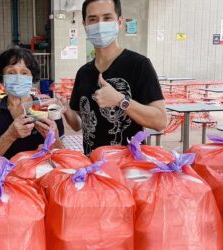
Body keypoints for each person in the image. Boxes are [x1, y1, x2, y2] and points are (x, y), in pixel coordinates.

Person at [60, 0, 167, 155]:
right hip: (93, 168)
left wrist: (120, 100)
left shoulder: (139, 65)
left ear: (120, 22)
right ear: (84, 24)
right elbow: (79, 124)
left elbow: (160, 121)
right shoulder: (83, 72)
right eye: (93, 19)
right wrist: (66, 111)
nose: (100, 25)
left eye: (107, 18)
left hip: (129, 169)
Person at [0, 47, 65, 159]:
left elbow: (62, 155)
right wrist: (10, 135)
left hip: (39, 174)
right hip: (2, 175)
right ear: (2, 77)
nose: (18, 78)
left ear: (32, 77)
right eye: (11, 72)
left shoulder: (47, 108)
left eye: (24, 73)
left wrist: (54, 137)